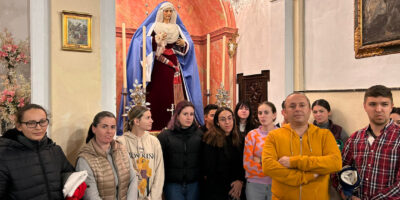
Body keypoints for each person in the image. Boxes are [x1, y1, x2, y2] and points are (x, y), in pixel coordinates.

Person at [118, 1, 204, 133]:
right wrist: (154, 40)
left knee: (174, 97)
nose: (168, 14)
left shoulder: (178, 28)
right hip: (158, 67)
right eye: (166, 11)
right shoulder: (153, 26)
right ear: (161, 12)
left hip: (174, 66)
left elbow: (186, 47)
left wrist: (183, 44)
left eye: (171, 11)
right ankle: (154, 126)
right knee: (156, 96)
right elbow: (139, 42)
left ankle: (175, 126)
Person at [262, 92, 342, 200]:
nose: (297, 109)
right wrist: (305, 176)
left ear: (309, 110)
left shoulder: (325, 135)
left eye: (302, 105)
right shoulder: (274, 136)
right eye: (292, 106)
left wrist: (294, 162)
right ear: (285, 112)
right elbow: (268, 167)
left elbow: (335, 163)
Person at [332, 85, 400, 199]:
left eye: (384, 104)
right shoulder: (354, 138)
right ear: (365, 106)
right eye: (372, 104)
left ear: (391, 107)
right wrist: (347, 194)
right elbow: (337, 170)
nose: (378, 109)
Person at [0, 104, 76, 199]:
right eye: (31, 123)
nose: (38, 127)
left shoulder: (55, 151)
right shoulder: (4, 155)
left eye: (42, 121)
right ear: (19, 126)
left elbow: (69, 175)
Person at [76, 111, 137, 200]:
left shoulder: (121, 149)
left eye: (112, 127)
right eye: (104, 127)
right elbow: (91, 196)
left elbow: (133, 179)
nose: (109, 131)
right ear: (94, 128)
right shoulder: (84, 159)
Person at [157, 100, 203, 200]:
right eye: (185, 114)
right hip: (173, 184)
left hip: (193, 184)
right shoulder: (165, 136)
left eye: (191, 114)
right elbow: (160, 163)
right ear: (177, 115)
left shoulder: (200, 135)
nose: (189, 117)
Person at [118, 106, 164, 200]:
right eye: (148, 118)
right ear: (137, 121)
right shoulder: (121, 142)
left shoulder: (154, 141)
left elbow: (159, 172)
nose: (152, 120)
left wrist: (153, 197)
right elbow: (121, 174)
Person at [202, 107, 245, 200]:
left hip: (237, 186)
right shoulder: (210, 140)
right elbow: (210, 169)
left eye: (230, 118)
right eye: (223, 119)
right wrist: (231, 189)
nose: (227, 122)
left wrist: (240, 181)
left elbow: (243, 163)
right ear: (217, 122)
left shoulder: (240, 138)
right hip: (217, 189)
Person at [243, 101, 277, 200]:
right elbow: (247, 164)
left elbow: (283, 162)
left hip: (276, 183)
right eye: (260, 113)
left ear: (274, 115)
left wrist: (260, 160)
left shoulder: (281, 134)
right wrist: (271, 165)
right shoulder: (252, 135)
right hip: (254, 184)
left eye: (266, 112)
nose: (262, 116)